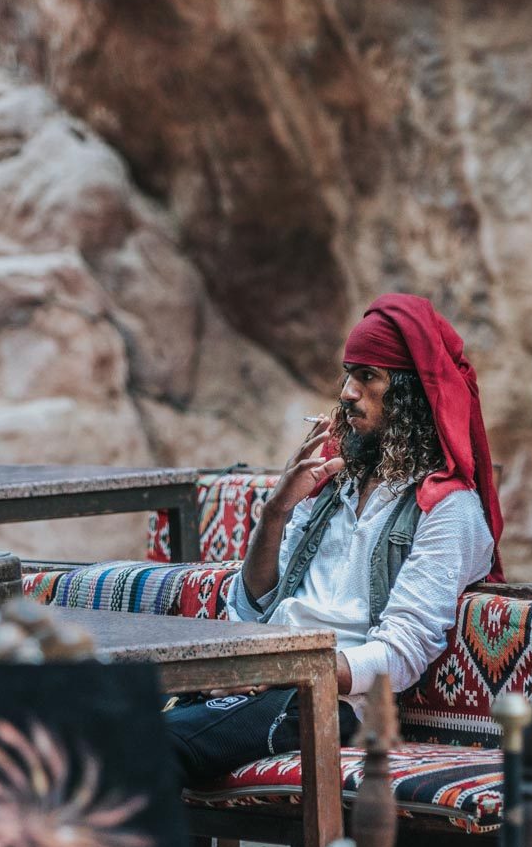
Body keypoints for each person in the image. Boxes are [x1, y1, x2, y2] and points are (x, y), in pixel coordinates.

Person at [167, 293, 504, 784]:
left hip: (335, 704)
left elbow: (403, 651)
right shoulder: (333, 485)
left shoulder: (448, 508)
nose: (347, 392)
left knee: (155, 744)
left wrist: (293, 670)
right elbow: (254, 609)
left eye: (368, 377)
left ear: (409, 394)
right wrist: (277, 509)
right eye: (348, 374)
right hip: (267, 681)